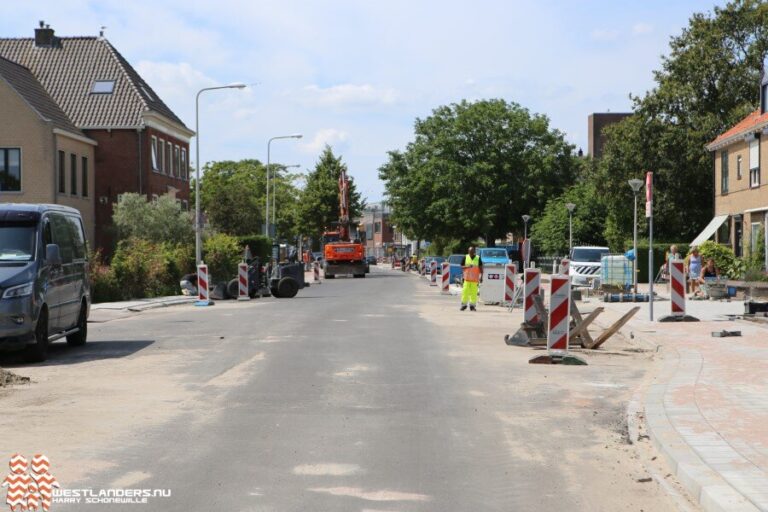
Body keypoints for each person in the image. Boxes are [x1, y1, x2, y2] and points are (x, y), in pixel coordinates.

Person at [460, 246, 483, 311]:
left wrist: (481, 276)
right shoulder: (465, 257)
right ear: (468, 252)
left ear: (474, 252)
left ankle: (472, 306)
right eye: (470, 252)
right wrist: (467, 266)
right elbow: (461, 266)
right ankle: (463, 305)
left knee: (474, 293)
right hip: (466, 279)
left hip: (475, 280)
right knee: (465, 292)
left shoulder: (478, 258)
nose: (471, 253)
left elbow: (481, 268)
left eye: (472, 252)